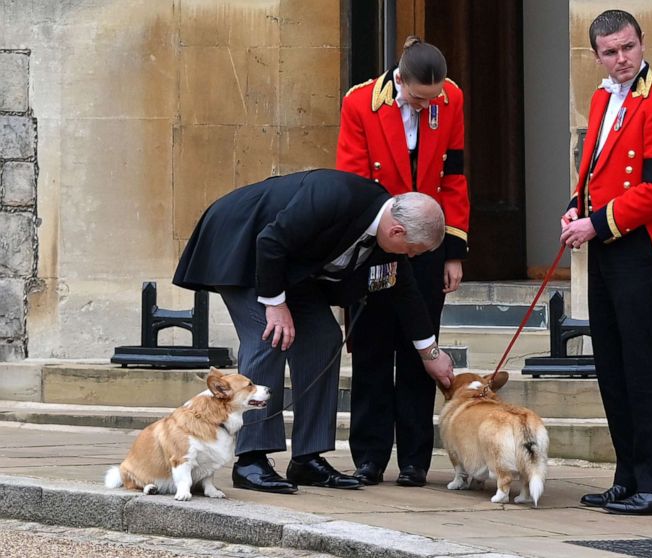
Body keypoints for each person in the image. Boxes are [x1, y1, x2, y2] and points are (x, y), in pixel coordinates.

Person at [173, 169, 455, 495]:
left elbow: (404, 291)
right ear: (397, 231)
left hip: (291, 269)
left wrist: (429, 353)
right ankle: (251, 459)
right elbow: (271, 240)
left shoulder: (385, 237)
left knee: (324, 336)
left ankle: (308, 457)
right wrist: (276, 306)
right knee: (270, 336)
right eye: (412, 250)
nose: (410, 256)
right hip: (242, 245)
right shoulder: (336, 196)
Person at [559, 10, 652, 516]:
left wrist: (596, 222)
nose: (621, 59)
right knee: (612, 367)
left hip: (642, 251)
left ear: (641, 44)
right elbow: (594, 167)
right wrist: (577, 205)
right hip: (607, 247)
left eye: (628, 48)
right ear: (596, 55)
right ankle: (629, 475)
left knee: (644, 370)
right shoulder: (600, 98)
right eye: (610, 51)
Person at [336, 36, 469, 488]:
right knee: (373, 348)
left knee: (420, 351)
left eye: (432, 98)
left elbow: (454, 176)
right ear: (400, 79)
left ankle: (415, 460)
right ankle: (369, 457)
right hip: (380, 236)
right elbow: (352, 182)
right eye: (417, 97)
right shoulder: (359, 103)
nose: (425, 104)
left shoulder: (450, 99)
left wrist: (453, 251)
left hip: (428, 241)